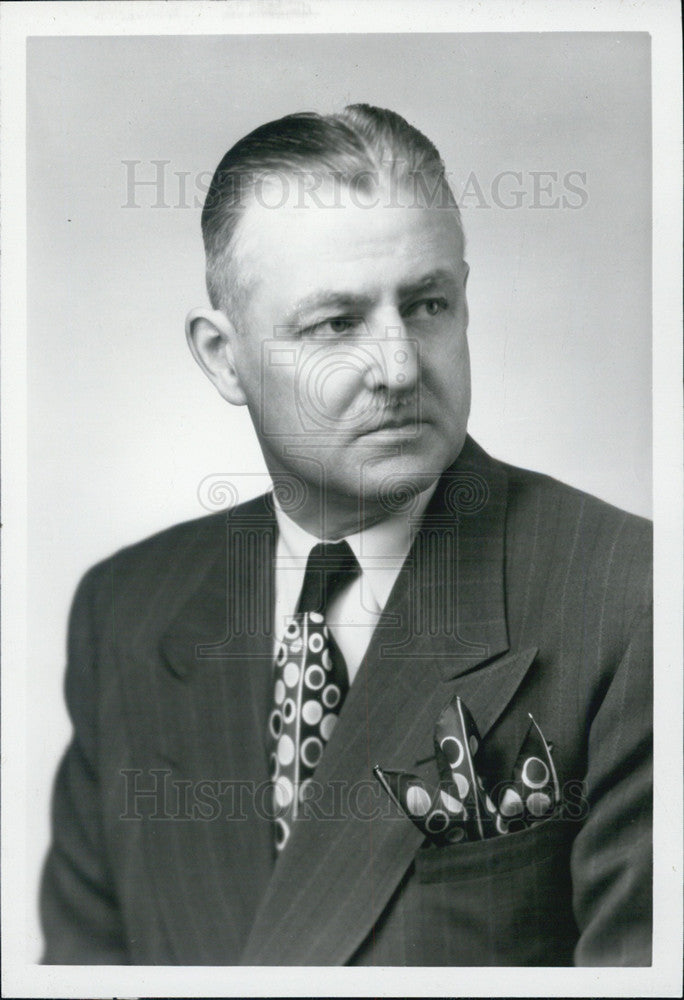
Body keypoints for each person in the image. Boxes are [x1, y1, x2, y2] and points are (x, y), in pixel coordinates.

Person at [40, 104, 652, 966]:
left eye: (428, 305)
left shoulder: (633, 598)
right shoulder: (126, 608)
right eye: (337, 324)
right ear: (223, 357)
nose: (399, 367)